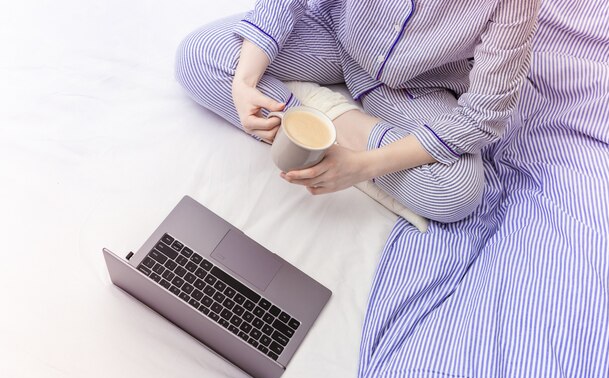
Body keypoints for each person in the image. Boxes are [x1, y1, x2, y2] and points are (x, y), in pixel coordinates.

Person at [175, 0, 540, 223]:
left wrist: (361, 167)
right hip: (335, 36)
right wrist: (245, 82)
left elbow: (483, 115)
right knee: (200, 54)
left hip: (417, 86)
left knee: (455, 191)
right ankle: (322, 119)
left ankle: (329, 121)